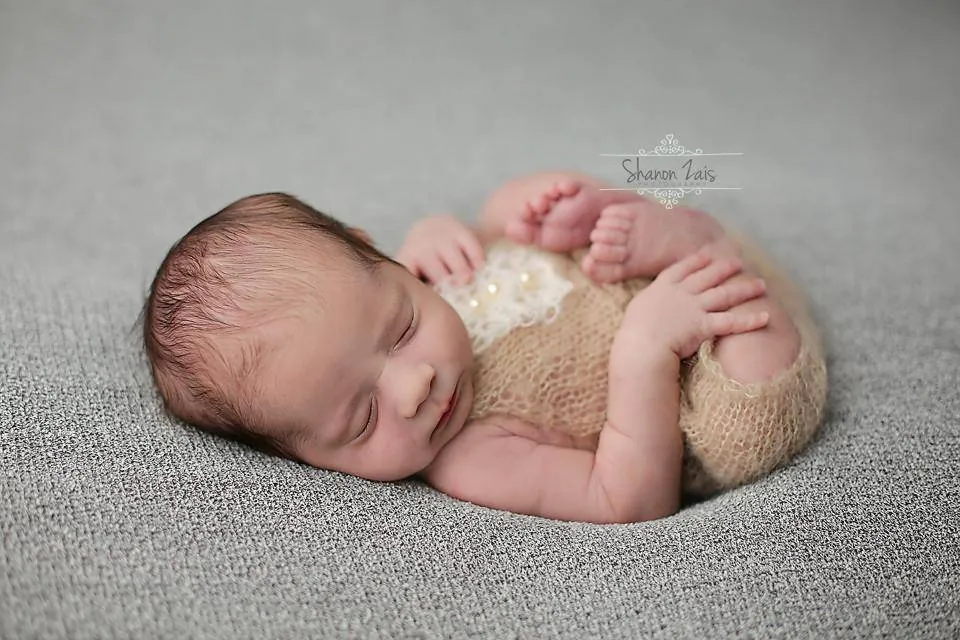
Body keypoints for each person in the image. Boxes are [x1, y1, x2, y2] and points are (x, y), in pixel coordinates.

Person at [141, 171, 826, 524]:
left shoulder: (422, 269)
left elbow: (486, 241)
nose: (413, 388)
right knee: (752, 383)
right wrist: (645, 351)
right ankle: (709, 258)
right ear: (307, 461)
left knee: (542, 214)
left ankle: (680, 245)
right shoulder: (470, 460)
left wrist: (492, 219)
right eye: (361, 420)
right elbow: (626, 498)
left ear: (374, 250)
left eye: (401, 328)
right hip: (703, 395)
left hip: (626, 282)